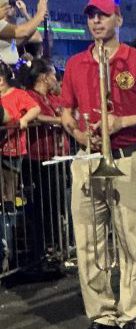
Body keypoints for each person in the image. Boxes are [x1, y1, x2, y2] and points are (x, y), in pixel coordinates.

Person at [60, 0, 136, 329]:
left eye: (103, 15)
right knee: (88, 243)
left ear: (119, 19)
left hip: (128, 159)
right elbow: (66, 111)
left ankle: (130, 315)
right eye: (91, 16)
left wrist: (123, 122)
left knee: (132, 242)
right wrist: (81, 135)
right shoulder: (75, 63)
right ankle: (101, 314)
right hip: (88, 159)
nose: (96, 21)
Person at [19, 58, 68, 266]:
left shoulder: (52, 97)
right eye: (53, 75)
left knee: (56, 203)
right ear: (44, 77)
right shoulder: (29, 96)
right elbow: (36, 117)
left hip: (57, 156)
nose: (56, 78)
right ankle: (43, 249)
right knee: (42, 206)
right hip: (37, 158)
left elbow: (66, 111)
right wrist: (59, 121)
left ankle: (56, 245)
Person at [0, 60, 40, 208]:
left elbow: (35, 108)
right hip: (2, 144)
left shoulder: (18, 94)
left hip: (14, 145)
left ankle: (10, 207)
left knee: (10, 179)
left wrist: (25, 119)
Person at [0, 0, 46, 65]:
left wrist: (25, 13)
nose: (10, 7)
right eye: (9, 4)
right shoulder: (2, 26)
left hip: (11, 68)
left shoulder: (12, 28)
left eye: (13, 5)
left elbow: (37, 36)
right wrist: (41, 11)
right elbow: (26, 32)